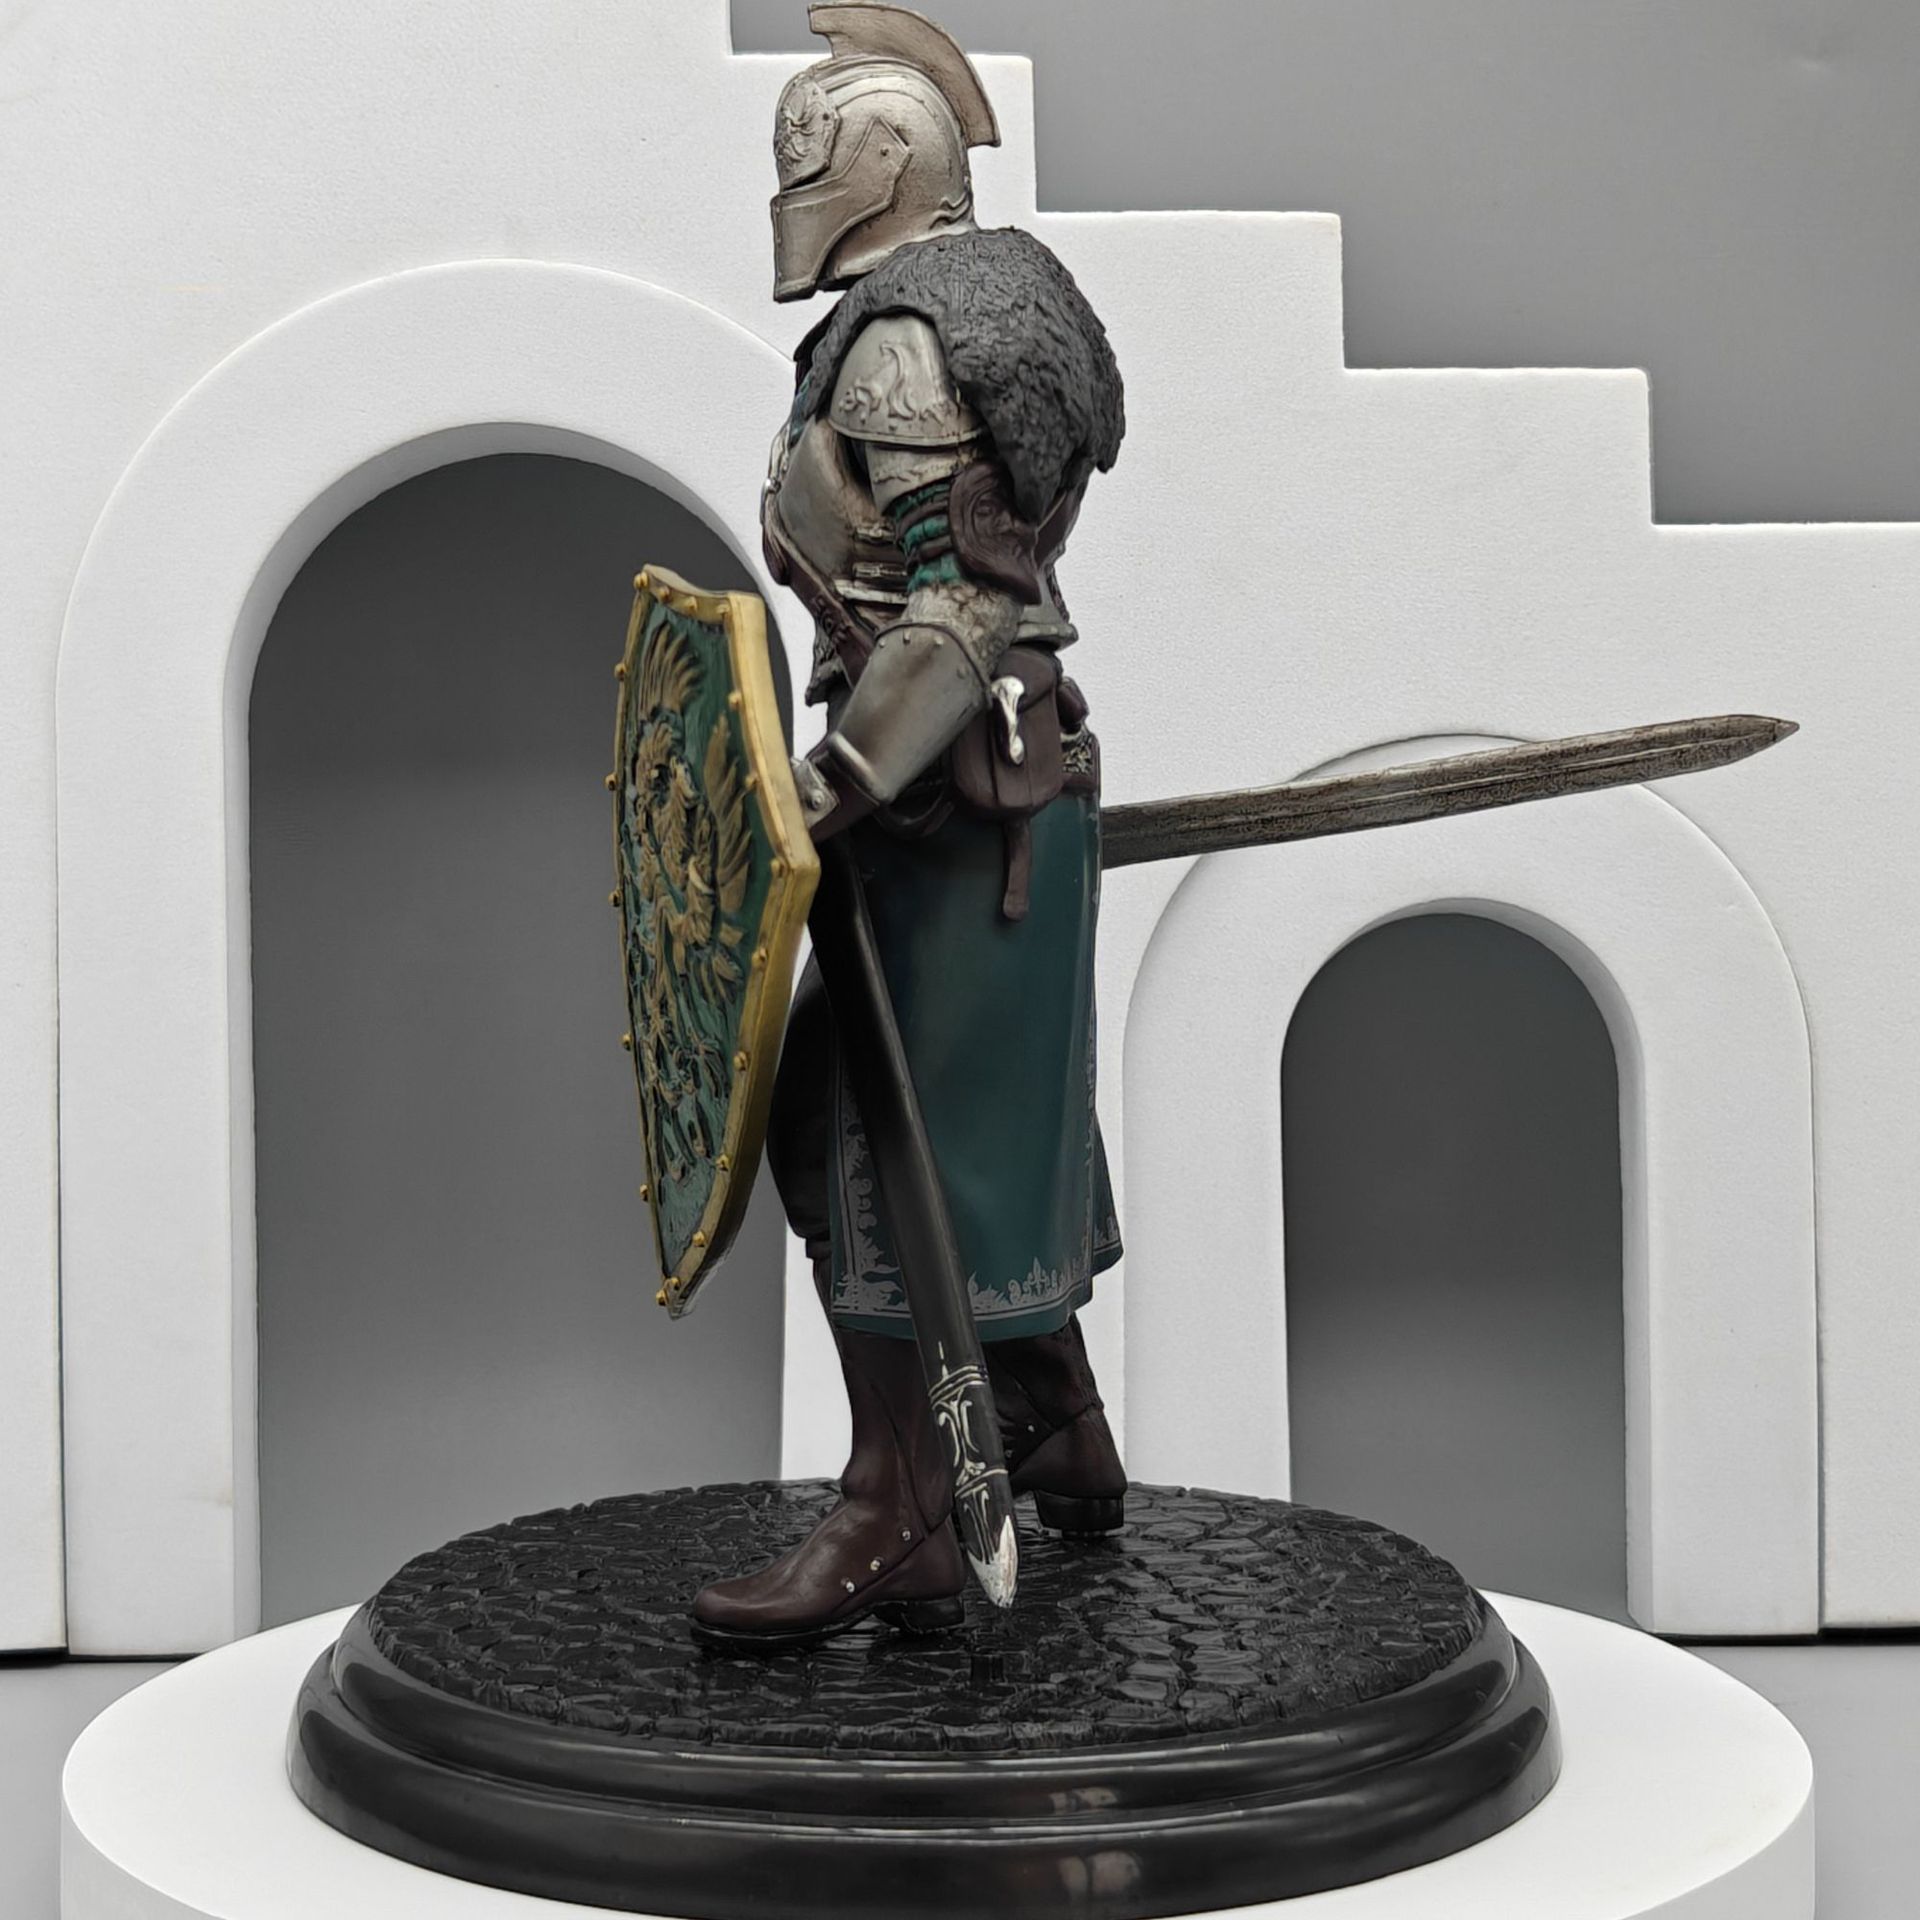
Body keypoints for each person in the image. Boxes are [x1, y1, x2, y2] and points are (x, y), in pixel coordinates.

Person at [692, 3, 1128, 1650]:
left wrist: (838, 785)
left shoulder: (905, 348)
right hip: (990, 801)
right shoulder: (949, 312)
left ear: (871, 169)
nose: (794, 183)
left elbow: (958, 610)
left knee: (866, 1134)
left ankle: (903, 1508)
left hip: (951, 808)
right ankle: (1057, 1423)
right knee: (957, 1135)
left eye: (810, 157)